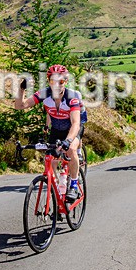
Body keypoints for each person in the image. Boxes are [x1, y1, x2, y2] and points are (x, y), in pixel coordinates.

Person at [15, 64, 85, 201]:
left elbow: (76, 123)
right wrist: (22, 89)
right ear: (48, 81)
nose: (57, 85)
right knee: (51, 161)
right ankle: (58, 190)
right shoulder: (44, 94)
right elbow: (20, 106)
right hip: (57, 129)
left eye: (61, 81)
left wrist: (68, 140)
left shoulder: (72, 97)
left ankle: (74, 184)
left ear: (65, 82)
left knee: (70, 149)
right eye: (53, 81)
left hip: (73, 128)